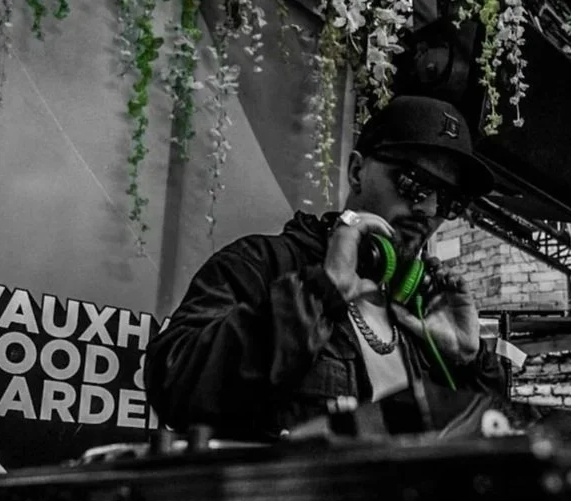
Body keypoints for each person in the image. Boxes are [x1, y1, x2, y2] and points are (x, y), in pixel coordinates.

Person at [144, 95, 507, 442]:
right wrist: (318, 291)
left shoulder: (422, 311)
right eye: (413, 183)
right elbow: (173, 381)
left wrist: (469, 363)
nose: (428, 210)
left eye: (449, 201)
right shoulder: (261, 264)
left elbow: (489, 448)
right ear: (357, 172)